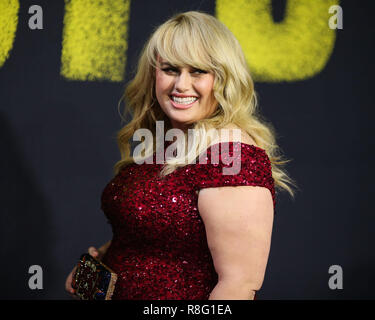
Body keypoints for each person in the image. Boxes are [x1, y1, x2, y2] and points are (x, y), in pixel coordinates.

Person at [65, 10, 295, 300]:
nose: (181, 85)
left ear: (223, 78)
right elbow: (147, 241)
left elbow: (238, 285)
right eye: (171, 69)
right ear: (153, 75)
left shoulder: (232, 157)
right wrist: (96, 272)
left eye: (198, 71)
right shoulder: (166, 142)